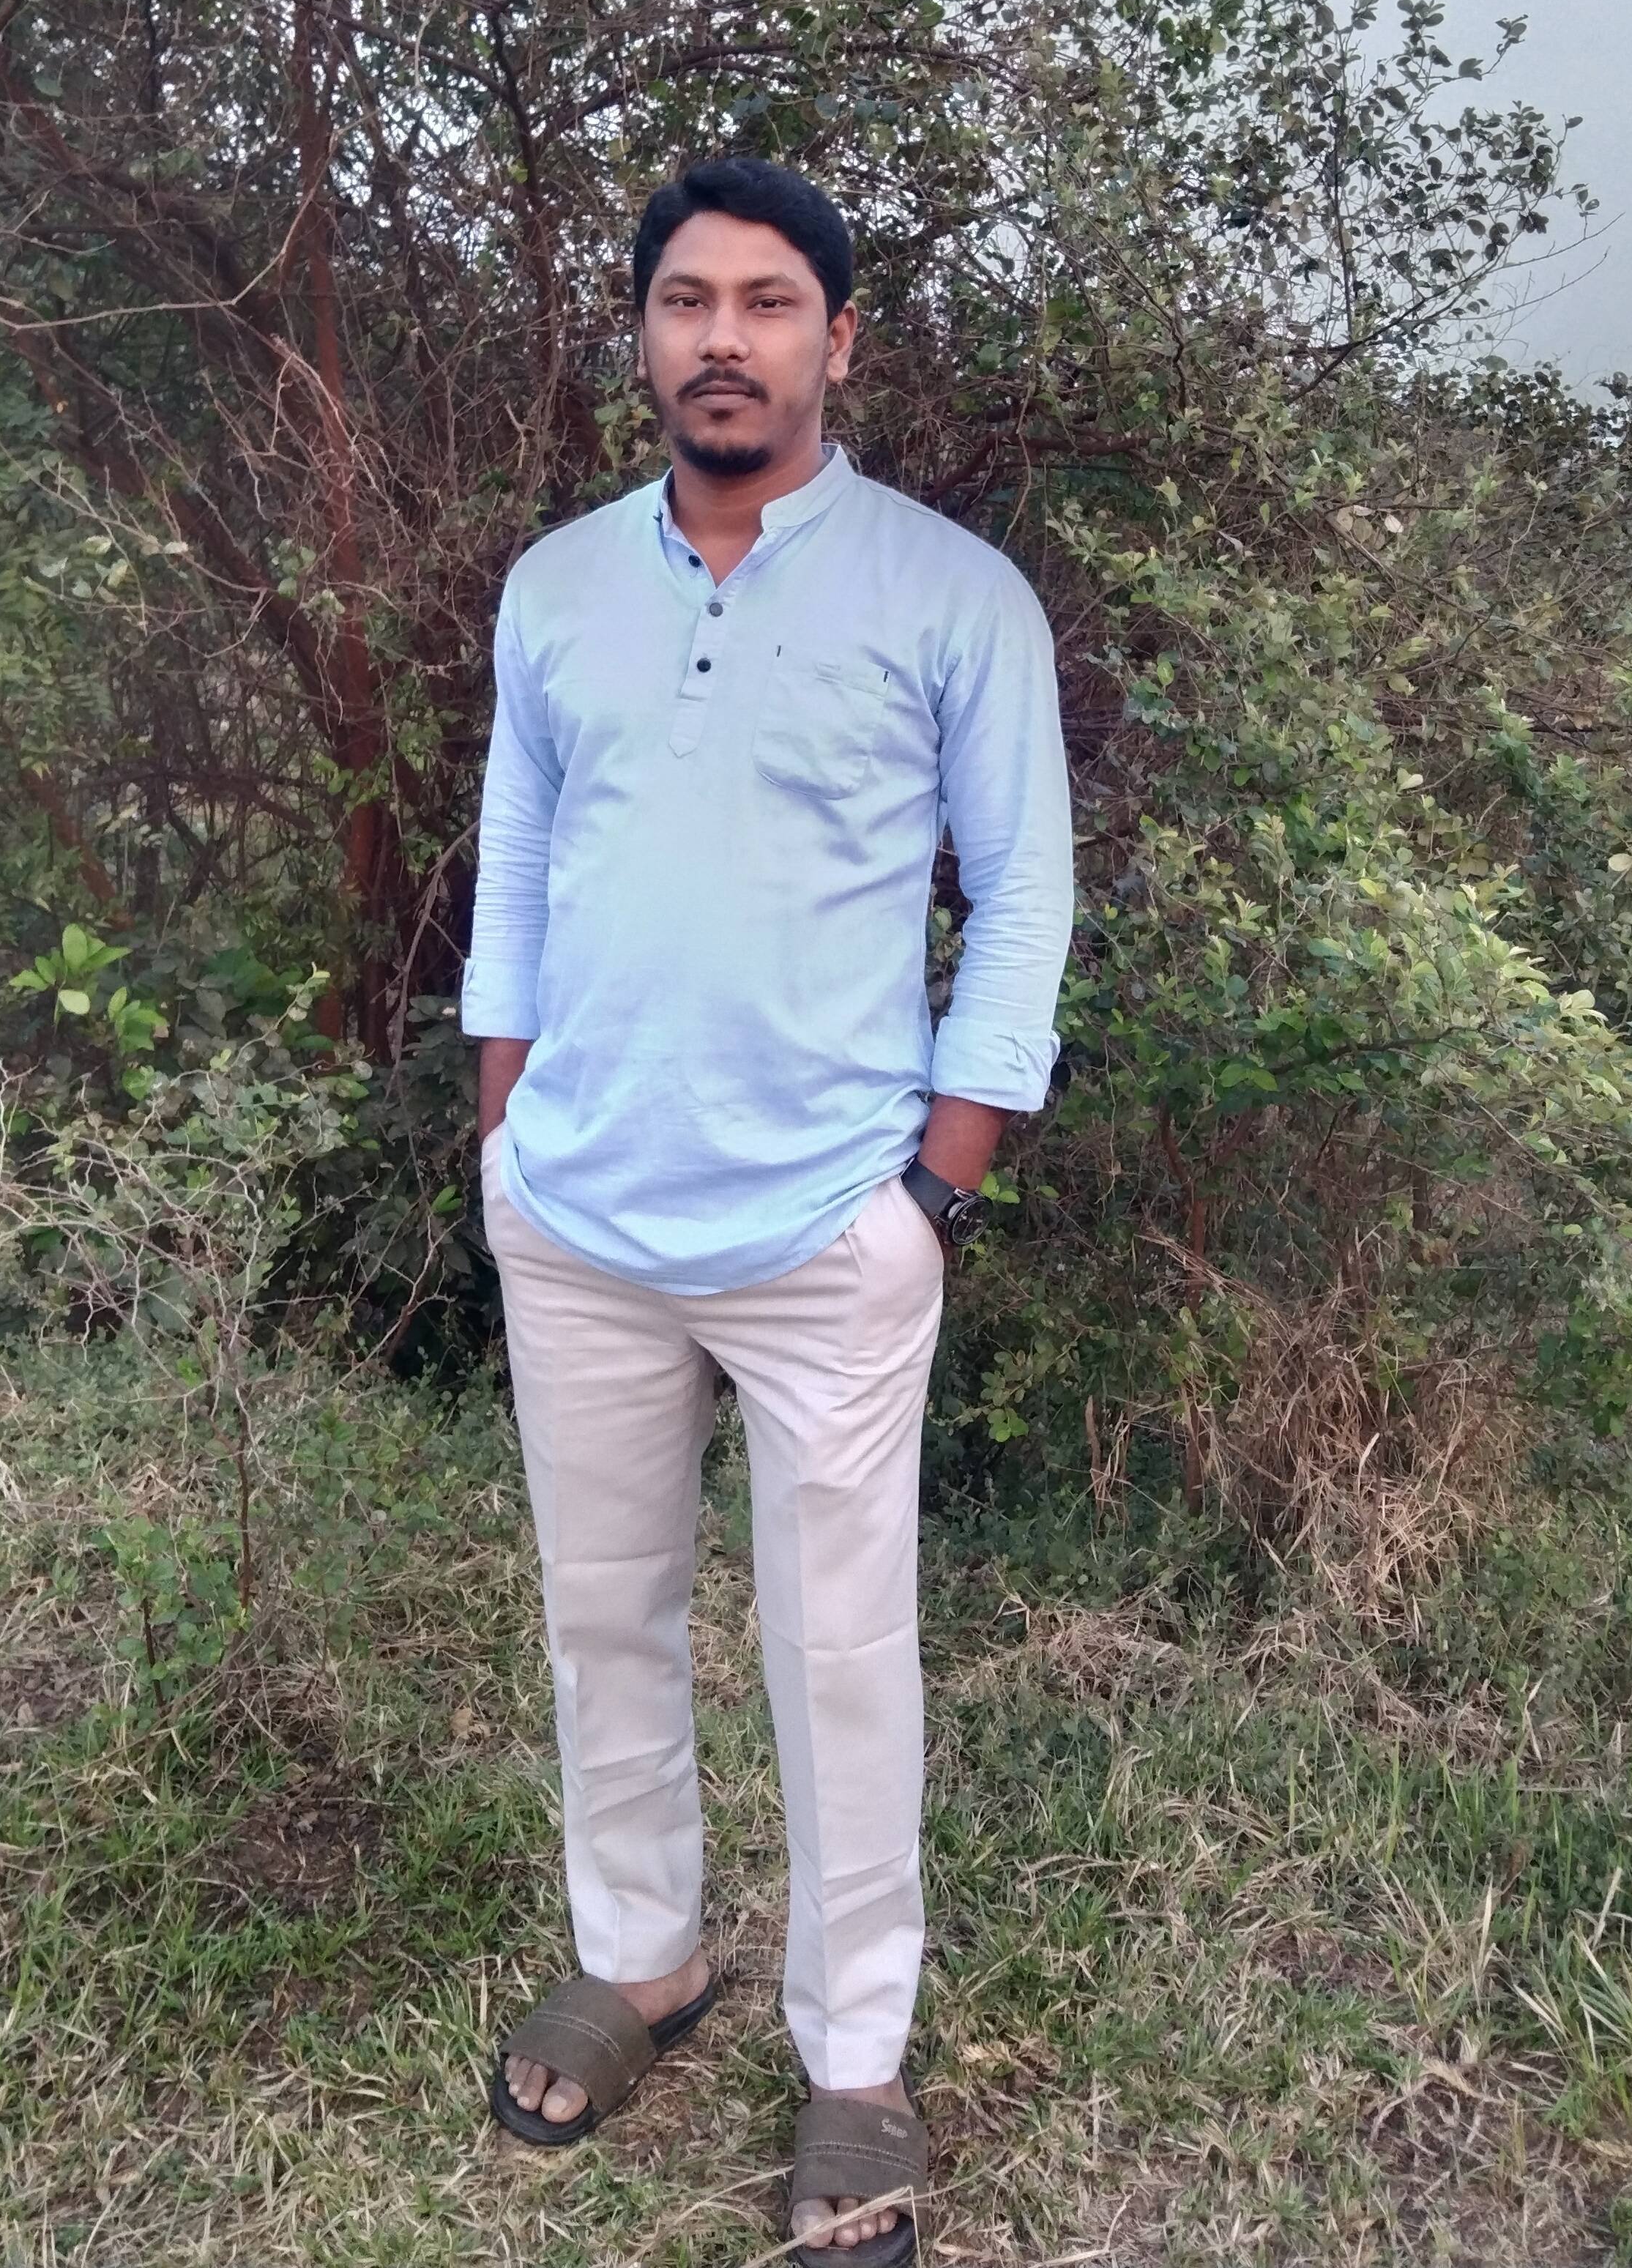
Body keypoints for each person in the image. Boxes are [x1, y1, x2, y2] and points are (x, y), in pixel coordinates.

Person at [463, 155, 1073, 2259]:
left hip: (830, 1230)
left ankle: (856, 2059)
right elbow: (518, 872)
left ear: (838, 339)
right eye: (687, 300)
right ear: (642, 333)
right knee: (602, 1610)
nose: (724, 337)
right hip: (581, 1216)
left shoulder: (951, 594)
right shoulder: (557, 588)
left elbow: (1024, 901)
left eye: (769, 302)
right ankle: (642, 1960)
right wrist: (507, 1134)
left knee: (843, 1657)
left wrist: (935, 1196)